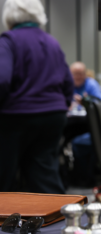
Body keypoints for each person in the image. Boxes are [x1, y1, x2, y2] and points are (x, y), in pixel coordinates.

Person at [0, 0, 73, 193]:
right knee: (45, 173)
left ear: (8, 16)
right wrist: (60, 105)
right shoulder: (52, 42)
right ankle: (58, 219)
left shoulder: (8, 40)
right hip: (53, 117)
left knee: (5, 174)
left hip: (16, 116)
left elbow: (2, 80)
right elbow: (68, 82)